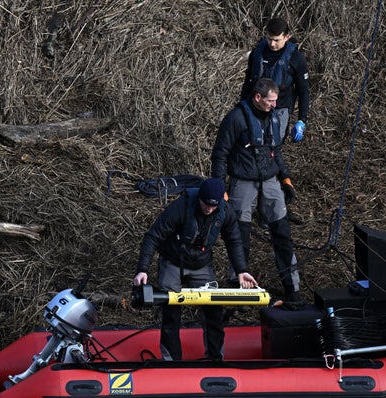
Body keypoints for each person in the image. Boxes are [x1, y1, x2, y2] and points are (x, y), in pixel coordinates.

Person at [133, 177, 258, 361]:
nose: (208, 208)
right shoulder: (181, 207)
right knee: (171, 311)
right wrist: (142, 269)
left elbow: (234, 241)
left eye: (213, 206)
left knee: (214, 311)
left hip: (201, 263)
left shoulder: (225, 212)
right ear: (200, 197)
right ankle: (172, 360)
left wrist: (241, 270)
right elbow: (153, 236)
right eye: (206, 204)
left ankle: (215, 357)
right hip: (173, 261)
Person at [211, 77, 302, 307]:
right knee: (239, 236)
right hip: (243, 182)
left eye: (276, 101)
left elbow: (276, 150)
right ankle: (238, 288)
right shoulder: (236, 118)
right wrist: (220, 187)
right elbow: (220, 154)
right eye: (270, 101)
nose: (274, 105)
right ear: (257, 97)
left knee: (282, 233)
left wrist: (285, 177)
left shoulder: (273, 117)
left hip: (270, 180)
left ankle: (292, 288)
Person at [240, 18, 310, 143]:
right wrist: (241, 106)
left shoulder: (297, 59)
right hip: (255, 107)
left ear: (287, 37)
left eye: (276, 40)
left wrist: (301, 120)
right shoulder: (256, 54)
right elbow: (248, 82)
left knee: (272, 146)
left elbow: (303, 90)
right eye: (269, 39)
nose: (272, 44)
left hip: (279, 109)